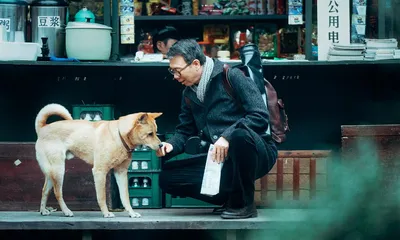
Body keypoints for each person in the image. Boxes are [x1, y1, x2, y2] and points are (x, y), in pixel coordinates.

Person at [157, 39, 277, 219]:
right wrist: (170, 146)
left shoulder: (231, 76)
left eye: (177, 70)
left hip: (255, 151)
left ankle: (245, 204)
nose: (174, 76)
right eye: (171, 71)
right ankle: (230, 197)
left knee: (239, 135)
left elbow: (259, 116)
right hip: (220, 158)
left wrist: (226, 137)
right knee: (168, 178)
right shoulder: (189, 93)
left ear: (196, 64)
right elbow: (184, 131)